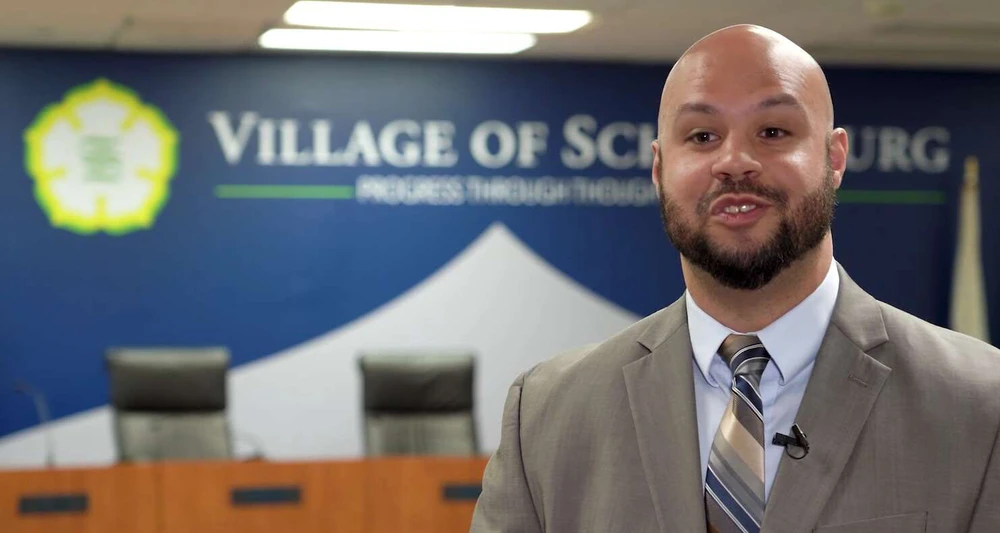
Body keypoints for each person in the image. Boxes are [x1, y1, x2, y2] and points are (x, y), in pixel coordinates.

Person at [470, 24, 1000, 533]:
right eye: (701, 135)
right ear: (659, 169)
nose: (735, 161)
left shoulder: (980, 403)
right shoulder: (546, 416)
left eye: (773, 132)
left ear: (834, 157)